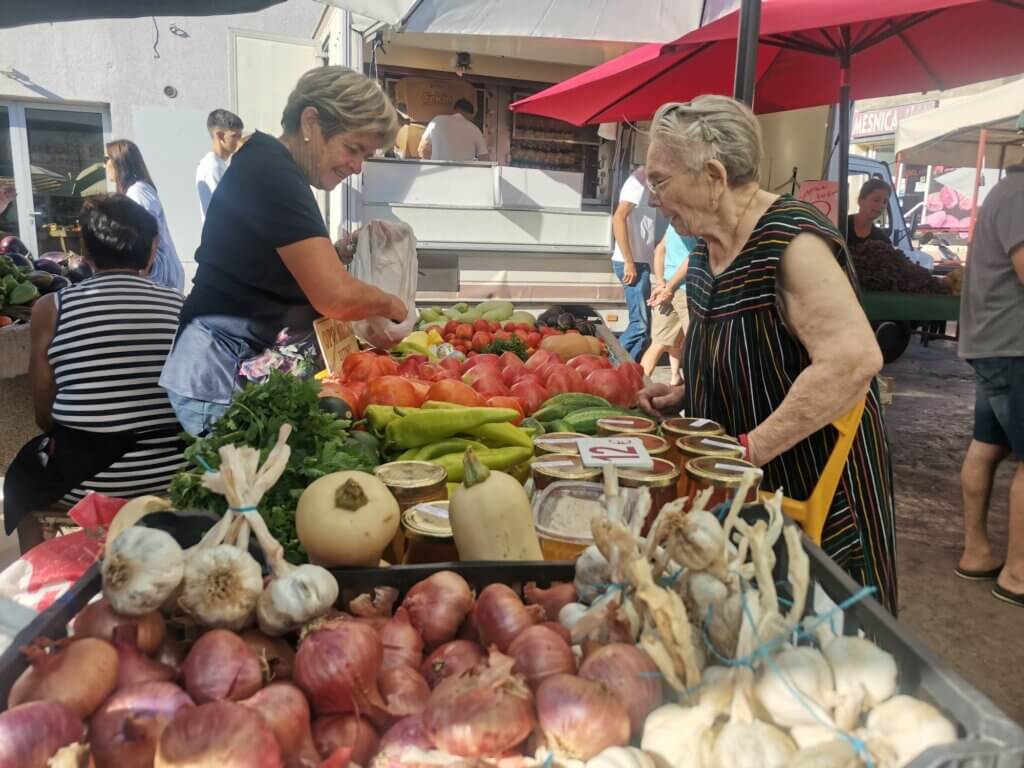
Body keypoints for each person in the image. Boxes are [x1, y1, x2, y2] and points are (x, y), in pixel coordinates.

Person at [637, 96, 897, 613]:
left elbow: (853, 359)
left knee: (823, 648)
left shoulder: (791, 241)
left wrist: (750, 450)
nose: (652, 200)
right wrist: (688, 391)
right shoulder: (707, 249)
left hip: (812, 486)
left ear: (713, 175)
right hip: (747, 489)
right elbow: (753, 352)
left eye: (659, 182)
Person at [160, 66, 407, 436]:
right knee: (251, 490)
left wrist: (334, 255)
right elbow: (335, 297)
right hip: (223, 378)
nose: (357, 167)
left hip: (232, 371)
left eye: (365, 155)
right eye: (353, 149)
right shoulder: (274, 172)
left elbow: (264, 261)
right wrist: (394, 304)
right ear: (311, 123)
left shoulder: (269, 163)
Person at [3, 194, 186, 552]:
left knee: (21, 478)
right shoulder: (180, 305)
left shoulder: (53, 307)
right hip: (172, 470)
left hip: (90, 478)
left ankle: (41, 571)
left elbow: (44, 411)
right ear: (152, 251)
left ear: (84, 250)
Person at [955, 162, 1024, 607]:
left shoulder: (1007, 190)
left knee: (988, 446)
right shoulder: (1021, 195)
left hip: (996, 343)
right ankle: (1018, 574)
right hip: (1015, 346)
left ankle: (977, 552)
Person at [105, 139, 185, 293]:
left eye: (106, 159)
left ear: (119, 161)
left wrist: (141, 272)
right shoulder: (137, 190)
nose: (104, 165)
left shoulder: (138, 192)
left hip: (159, 278)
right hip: (158, 277)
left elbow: (146, 235)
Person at [641, 225, 697, 383]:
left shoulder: (673, 224)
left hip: (668, 285)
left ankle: (636, 388)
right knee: (697, 346)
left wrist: (661, 284)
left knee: (659, 343)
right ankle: (696, 395)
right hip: (688, 289)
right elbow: (694, 257)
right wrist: (668, 287)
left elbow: (659, 249)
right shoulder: (696, 223)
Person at [612, 166, 657, 362]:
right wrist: (629, 262)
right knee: (639, 326)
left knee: (644, 329)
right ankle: (611, 366)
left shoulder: (649, 182)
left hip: (640, 262)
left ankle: (626, 370)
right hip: (633, 263)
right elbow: (618, 218)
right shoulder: (638, 181)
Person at [196, 108, 244, 223]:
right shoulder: (213, 167)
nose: (239, 141)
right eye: (235, 136)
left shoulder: (221, 164)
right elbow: (227, 209)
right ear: (220, 136)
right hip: (222, 236)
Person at [417, 99, 488, 161]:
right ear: (470, 115)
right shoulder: (475, 129)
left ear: (454, 110)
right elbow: (484, 158)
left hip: (437, 173)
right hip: (464, 175)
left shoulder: (437, 120)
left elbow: (422, 149)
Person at [847, 178, 893, 249]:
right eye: (876, 200)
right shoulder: (841, 226)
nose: (881, 205)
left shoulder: (883, 240)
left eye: (885, 202)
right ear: (861, 200)